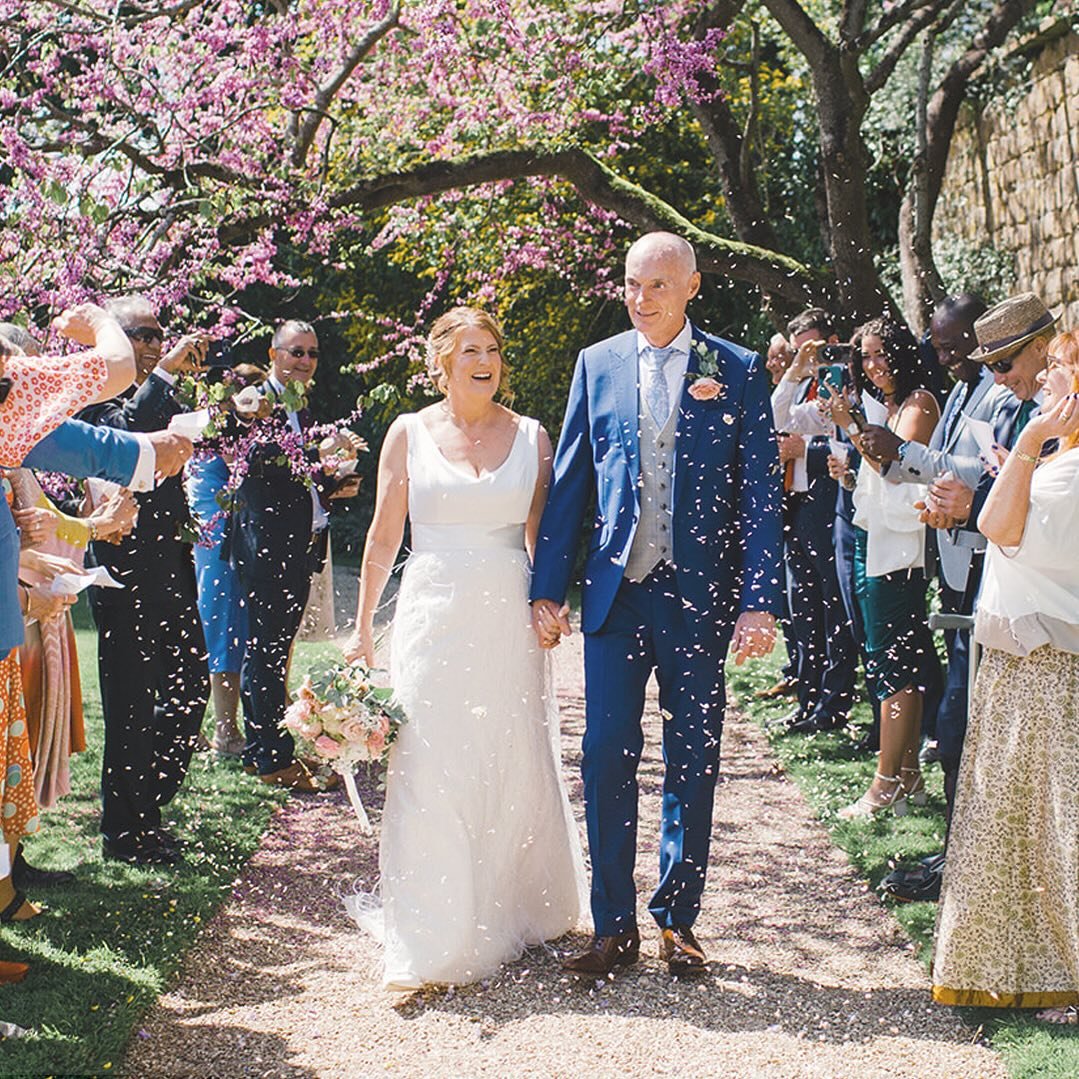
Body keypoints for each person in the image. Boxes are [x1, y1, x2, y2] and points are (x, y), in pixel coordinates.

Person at [531, 232, 782, 978]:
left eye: (657, 287)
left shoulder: (732, 370)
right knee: (606, 754)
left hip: (697, 601)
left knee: (692, 757)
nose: (641, 299)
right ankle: (612, 926)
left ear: (692, 287)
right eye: (632, 285)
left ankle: (678, 920)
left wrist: (757, 599)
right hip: (616, 595)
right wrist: (546, 586)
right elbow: (573, 481)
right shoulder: (597, 363)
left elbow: (759, 496)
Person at [343, 306, 585, 990]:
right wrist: (363, 629)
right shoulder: (407, 432)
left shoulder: (532, 436)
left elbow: (544, 536)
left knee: (506, 755)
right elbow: (383, 537)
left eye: (493, 349)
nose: (484, 360)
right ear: (443, 361)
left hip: (505, 621)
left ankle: (507, 901)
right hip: (431, 613)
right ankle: (432, 930)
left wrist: (548, 601)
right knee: (427, 761)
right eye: (470, 349)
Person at [932, 323, 1079, 1024]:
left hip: (1049, 666)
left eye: (1056, 369)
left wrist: (1021, 450)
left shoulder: (1067, 471)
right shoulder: (1060, 461)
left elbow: (997, 524)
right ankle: (1034, 963)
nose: (1046, 380)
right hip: (1020, 662)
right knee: (1019, 828)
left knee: (1056, 827)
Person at [864, 295, 1004, 901]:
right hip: (952, 560)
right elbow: (917, 472)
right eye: (939, 347)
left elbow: (973, 471)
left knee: (958, 719)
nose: (945, 358)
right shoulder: (965, 390)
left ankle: (962, 859)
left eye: (954, 347)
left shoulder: (996, 396)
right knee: (955, 717)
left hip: (978, 565)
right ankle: (955, 852)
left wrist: (909, 455)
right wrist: (883, 453)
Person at [75, 294, 210, 866]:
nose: (154, 345)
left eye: (158, 336)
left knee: (189, 688)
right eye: (141, 336)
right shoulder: (92, 395)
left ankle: (145, 807)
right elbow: (126, 442)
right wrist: (166, 375)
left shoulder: (161, 395)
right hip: (122, 571)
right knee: (131, 703)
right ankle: (126, 833)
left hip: (172, 569)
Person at [227, 320, 358, 791]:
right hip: (266, 551)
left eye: (312, 353)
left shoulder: (300, 405)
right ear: (273, 353)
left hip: (297, 547)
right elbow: (252, 458)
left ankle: (264, 750)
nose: (305, 361)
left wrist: (330, 482)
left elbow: (292, 476)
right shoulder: (255, 401)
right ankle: (272, 761)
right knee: (266, 654)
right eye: (296, 352)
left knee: (273, 652)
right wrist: (318, 461)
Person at [824, 317, 941, 818]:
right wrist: (850, 478)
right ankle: (909, 776)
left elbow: (896, 473)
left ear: (901, 353)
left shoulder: (918, 404)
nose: (873, 366)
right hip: (873, 540)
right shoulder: (886, 406)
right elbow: (876, 478)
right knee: (885, 660)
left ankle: (885, 783)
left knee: (893, 664)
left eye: (880, 354)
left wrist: (850, 425)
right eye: (864, 357)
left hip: (899, 551)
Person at [770, 308, 857, 733]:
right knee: (803, 609)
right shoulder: (805, 383)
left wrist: (804, 451)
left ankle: (833, 703)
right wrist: (793, 373)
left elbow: (850, 442)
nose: (811, 355)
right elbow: (775, 419)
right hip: (799, 507)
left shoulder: (847, 381)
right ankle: (807, 699)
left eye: (816, 346)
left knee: (832, 608)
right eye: (802, 348)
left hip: (830, 504)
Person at [184, 363, 268, 759]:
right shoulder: (213, 434)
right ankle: (224, 730)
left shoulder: (236, 431)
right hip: (219, 540)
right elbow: (205, 494)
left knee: (232, 630)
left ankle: (205, 728)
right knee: (221, 629)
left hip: (232, 537)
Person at [757, 333, 798, 702]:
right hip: (791, 507)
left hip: (819, 508)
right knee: (796, 603)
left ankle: (821, 694)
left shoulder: (818, 386)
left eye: (779, 356)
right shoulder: (793, 387)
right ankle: (799, 676)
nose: (772, 363)